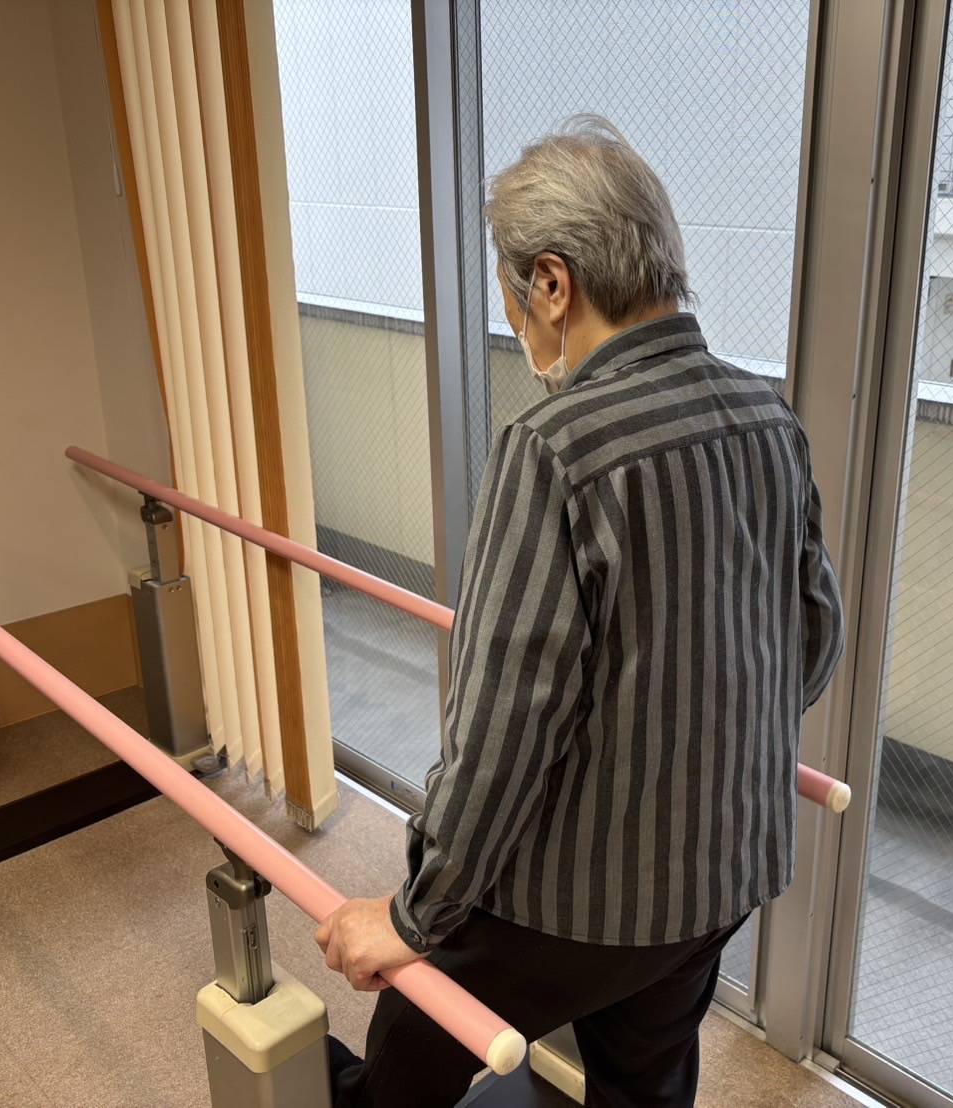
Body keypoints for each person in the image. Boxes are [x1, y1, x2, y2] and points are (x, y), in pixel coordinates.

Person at [316, 115, 845, 1107]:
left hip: (588, 905)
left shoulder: (555, 448)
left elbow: (502, 729)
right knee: (643, 1067)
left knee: (412, 1036)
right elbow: (812, 640)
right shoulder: (767, 417)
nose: (520, 330)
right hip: (729, 871)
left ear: (552, 284)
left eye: (514, 301)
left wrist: (413, 911)